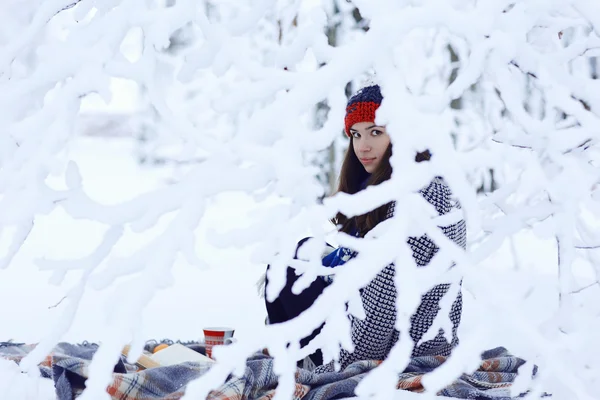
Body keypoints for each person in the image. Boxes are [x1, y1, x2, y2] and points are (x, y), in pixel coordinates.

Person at [264, 84, 467, 372]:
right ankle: (293, 358)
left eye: (375, 132)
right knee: (304, 250)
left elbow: (382, 305)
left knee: (284, 270)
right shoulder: (410, 182)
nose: (363, 146)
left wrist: (340, 368)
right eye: (356, 135)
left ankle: (292, 369)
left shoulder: (418, 196)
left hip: (394, 348)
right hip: (390, 332)